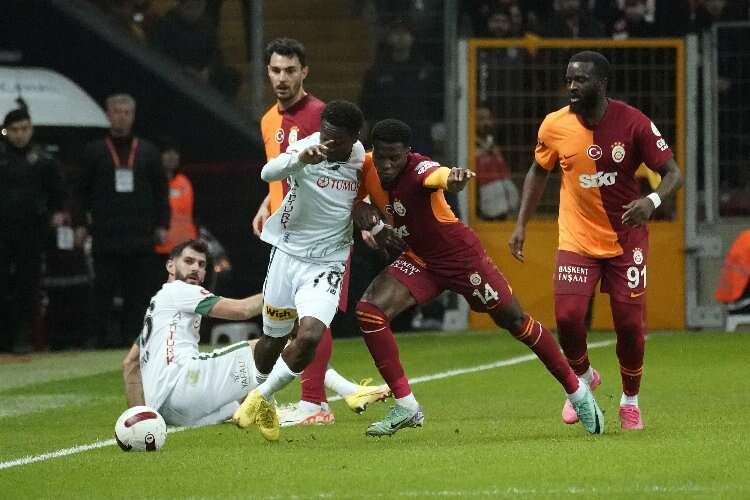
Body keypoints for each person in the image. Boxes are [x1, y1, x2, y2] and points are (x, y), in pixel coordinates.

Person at [354, 118, 604, 437]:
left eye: (395, 158)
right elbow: (354, 202)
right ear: (373, 152)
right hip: (420, 260)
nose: (387, 165)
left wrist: (454, 179)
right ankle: (406, 406)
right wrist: (369, 221)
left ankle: (578, 392)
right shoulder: (366, 166)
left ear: (408, 153)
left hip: (461, 259)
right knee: (370, 311)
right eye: (382, 157)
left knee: (516, 321)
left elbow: (440, 175)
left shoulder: (419, 170)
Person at [508, 51, 683, 430]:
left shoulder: (634, 122)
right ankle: (584, 378)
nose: (572, 86)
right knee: (568, 317)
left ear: (602, 84)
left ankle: (630, 401)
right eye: (569, 79)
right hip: (577, 238)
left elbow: (673, 173)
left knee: (629, 326)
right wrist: (521, 223)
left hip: (626, 239)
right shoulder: (554, 125)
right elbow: (538, 171)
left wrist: (651, 202)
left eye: (581, 80)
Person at [232, 101, 404, 441]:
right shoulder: (307, 148)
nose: (327, 143)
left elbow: (367, 198)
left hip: (328, 262)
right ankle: (267, 400)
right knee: (272, 341)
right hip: (287, 255)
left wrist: (374, 224)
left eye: (335, 139)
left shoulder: (361, 160)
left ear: (354, 138)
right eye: (324, 135)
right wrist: (300, 159)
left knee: (309, 335)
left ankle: (260, 397)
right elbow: (267, 173)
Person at [250, 38, 390, 427]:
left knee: (314, 318)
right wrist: (268, 203)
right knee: (285, 327)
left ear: (304, 72)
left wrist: (365, 212)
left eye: (290, 70)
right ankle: (325, 394)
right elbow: (283, 171)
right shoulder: (268, 119)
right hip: (288, 235)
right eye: (275, 70)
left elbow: (353, 171)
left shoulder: (320, 118)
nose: (282, 78)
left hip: (327, 241)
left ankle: (313, 403)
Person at [122, 239, 380, 426]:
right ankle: (345, 391)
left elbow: (130, 364)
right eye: (188, 261)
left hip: (171, 413)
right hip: (187, 384)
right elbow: (243, 310)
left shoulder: (156, 308)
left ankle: (278, 407)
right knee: (272, 345)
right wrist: (285, 290)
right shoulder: (180, 291)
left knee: (244, 401)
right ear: (170, 266)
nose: (196, 269)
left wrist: (141, 418)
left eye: (201, 264)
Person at [75, 93, 169, 348]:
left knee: (138, 292)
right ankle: (97, 338)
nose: (122, 117)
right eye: (117, 112)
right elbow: (80, 191)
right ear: (108, 115)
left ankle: (135, 339)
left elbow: (161, 191)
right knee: (102, 290)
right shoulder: (94, 151)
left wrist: (163, 224)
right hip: (106, 233)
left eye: (126, 112)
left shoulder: (148, 152)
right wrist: (80, 223)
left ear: (133, 116)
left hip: (141, 233)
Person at [0, 105, 66, 353]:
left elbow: (58, 194)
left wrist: (56, 214)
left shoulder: (44, 161)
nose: (20, 134)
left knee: (27, 286)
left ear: (31, 129)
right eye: (15, 130)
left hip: (32, 232)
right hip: (3, 231)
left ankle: (21, 336)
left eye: (24, 129)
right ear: (6, 131)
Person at [154, 140, 198, 260]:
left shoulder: (185, 182)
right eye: (167, 152)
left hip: (185, 249)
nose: (172, 156)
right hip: (159, 249)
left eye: (175, 152)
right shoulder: (152, 183)